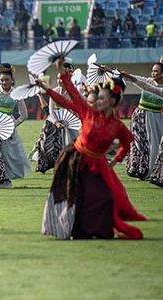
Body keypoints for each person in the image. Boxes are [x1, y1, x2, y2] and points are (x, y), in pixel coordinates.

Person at [40, 58, 146, 240]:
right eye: (98, 97)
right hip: (75, 160)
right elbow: (70, 96)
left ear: (112, 101)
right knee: (73, 197)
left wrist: (114, 161)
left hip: (97, 165)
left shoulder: (117, 126)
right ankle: (71, 230)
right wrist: (52, 85)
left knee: (105, 198)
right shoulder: (88, 112)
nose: (98, 100)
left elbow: (127, 144)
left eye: (102, 98)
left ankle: (97, 230)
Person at [32, 63, 80, 173]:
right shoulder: (55, 91)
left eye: (62, 78)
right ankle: (50, 165)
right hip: (53, 122)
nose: (59, 80)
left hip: (70, 124)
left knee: (70, 147)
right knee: (45, 145)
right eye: (58, 78)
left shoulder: (75, 92)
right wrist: (56, 122)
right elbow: (50, 110)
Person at [125, 62, 163, 180]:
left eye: (156, 71)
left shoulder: (157, 87)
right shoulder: (149, 80)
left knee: (154, 146)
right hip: (139, 116)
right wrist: (113, 71)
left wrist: (133, 79)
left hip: (154, 118)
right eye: (152, 70)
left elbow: (150, 89)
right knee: (138, 144)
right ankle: (140, 170)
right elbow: (137, 78)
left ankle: (151, 172)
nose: (153, 73)